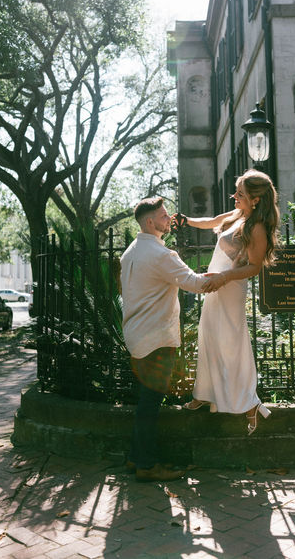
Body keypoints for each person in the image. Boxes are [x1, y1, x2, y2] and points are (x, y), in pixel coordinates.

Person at [176, 169, 280, 435]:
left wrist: (223, 278)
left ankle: (249, 403)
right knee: (209, 336)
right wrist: (186, 220)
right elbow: (211, 221)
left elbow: (254, 267)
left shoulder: (257, 227)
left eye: (241, 194)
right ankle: (205, 392)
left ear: (255, 199)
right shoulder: (237, 215)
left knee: (231, 343)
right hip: (216, 284)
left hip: (230, 287)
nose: (234, 196)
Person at [120, 195, 211, 482]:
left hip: (136, 336)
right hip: (157, 339)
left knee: (145, 403)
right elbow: (195, 284)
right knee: (150, 406)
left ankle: (135, 459)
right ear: (150, 222)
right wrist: (229, 276)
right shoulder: (161, 255)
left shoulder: (130, 252)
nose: (168, 217)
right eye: (162, 215)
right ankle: (147, 465)